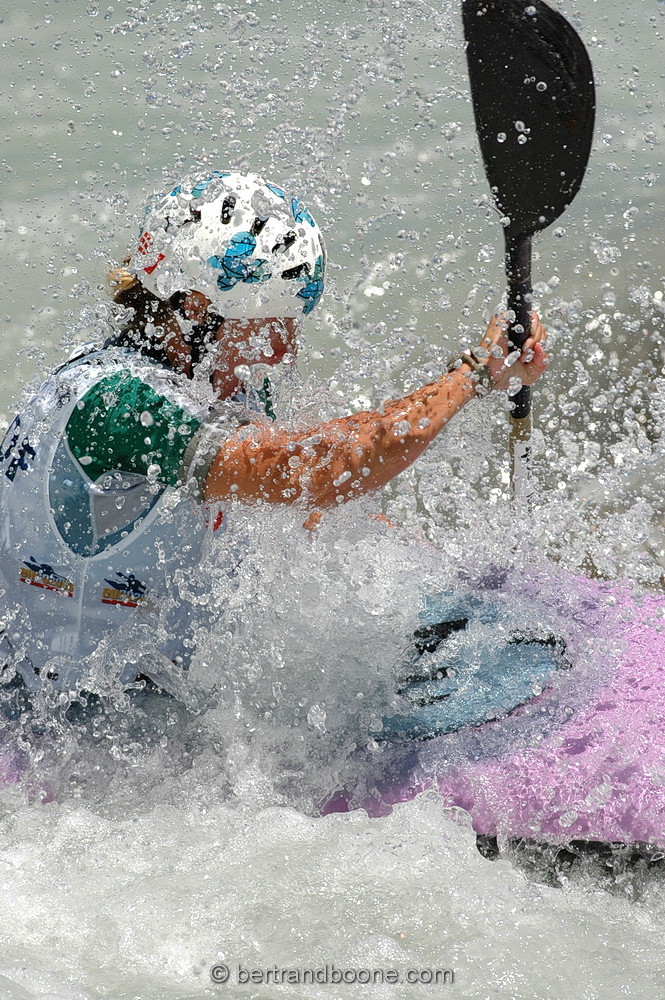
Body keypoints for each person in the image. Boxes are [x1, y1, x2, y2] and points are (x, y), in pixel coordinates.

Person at [0, 170, 548, 699]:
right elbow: (315, 472)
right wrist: (473, 374)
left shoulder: (224, 384)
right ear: (194, 308)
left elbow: (303, 512)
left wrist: (450, 580)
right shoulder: (118, 405)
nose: (285, 350)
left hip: (154, 693)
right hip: (60, 717)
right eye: (271, 323)